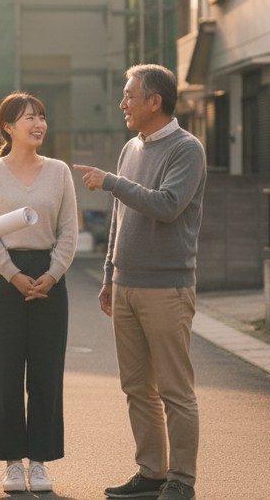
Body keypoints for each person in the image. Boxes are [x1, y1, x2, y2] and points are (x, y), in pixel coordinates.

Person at [74, 64, 206, 500]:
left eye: (130, 96)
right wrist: (109, 274)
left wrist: (112, 182)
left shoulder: (186, 149)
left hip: (167, 288)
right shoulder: (131, 148)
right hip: (126, 284)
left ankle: (181, 479)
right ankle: (151, 472)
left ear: (155, 101)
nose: (122, 103)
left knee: (174, 389)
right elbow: (119, 217)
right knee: (136, 388)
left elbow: (168, 205)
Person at [0, 92, 78, 494]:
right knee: (4, 373)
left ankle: (40, 461)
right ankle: (13, 463)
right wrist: (13, 274)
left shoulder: (59, 171)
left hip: (50, 279)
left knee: (47, 373)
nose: (38, 124)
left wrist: (52, 274)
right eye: (29, 118)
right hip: (4, 281)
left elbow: (68, 230)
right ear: (8, 127)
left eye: (42, 117)